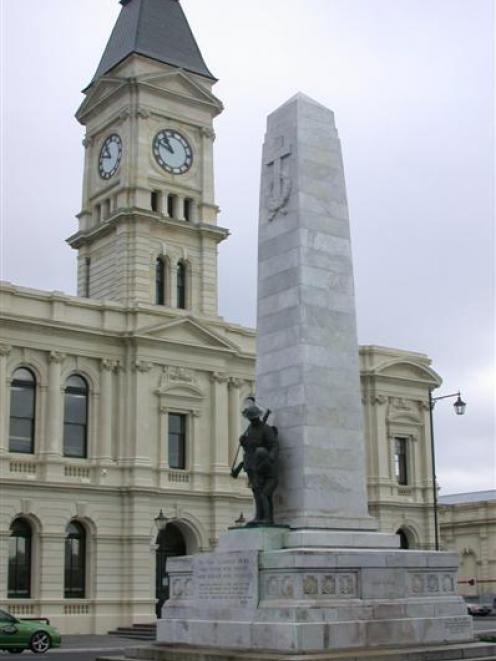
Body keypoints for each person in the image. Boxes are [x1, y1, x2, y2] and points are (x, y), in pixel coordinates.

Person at [231, 404, 279, 524]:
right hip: (251, 464)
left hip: (262, 463)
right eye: (250, 418)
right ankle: (259, 516)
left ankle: (266, 517)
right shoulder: (250, 429)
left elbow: (273, 444)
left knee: (263, 493)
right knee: (256, 492)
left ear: (257, 417)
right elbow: (249, 448)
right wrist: (243, 442)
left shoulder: (266, 429)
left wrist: (270, 458)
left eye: (253, 418)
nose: (252, 420)